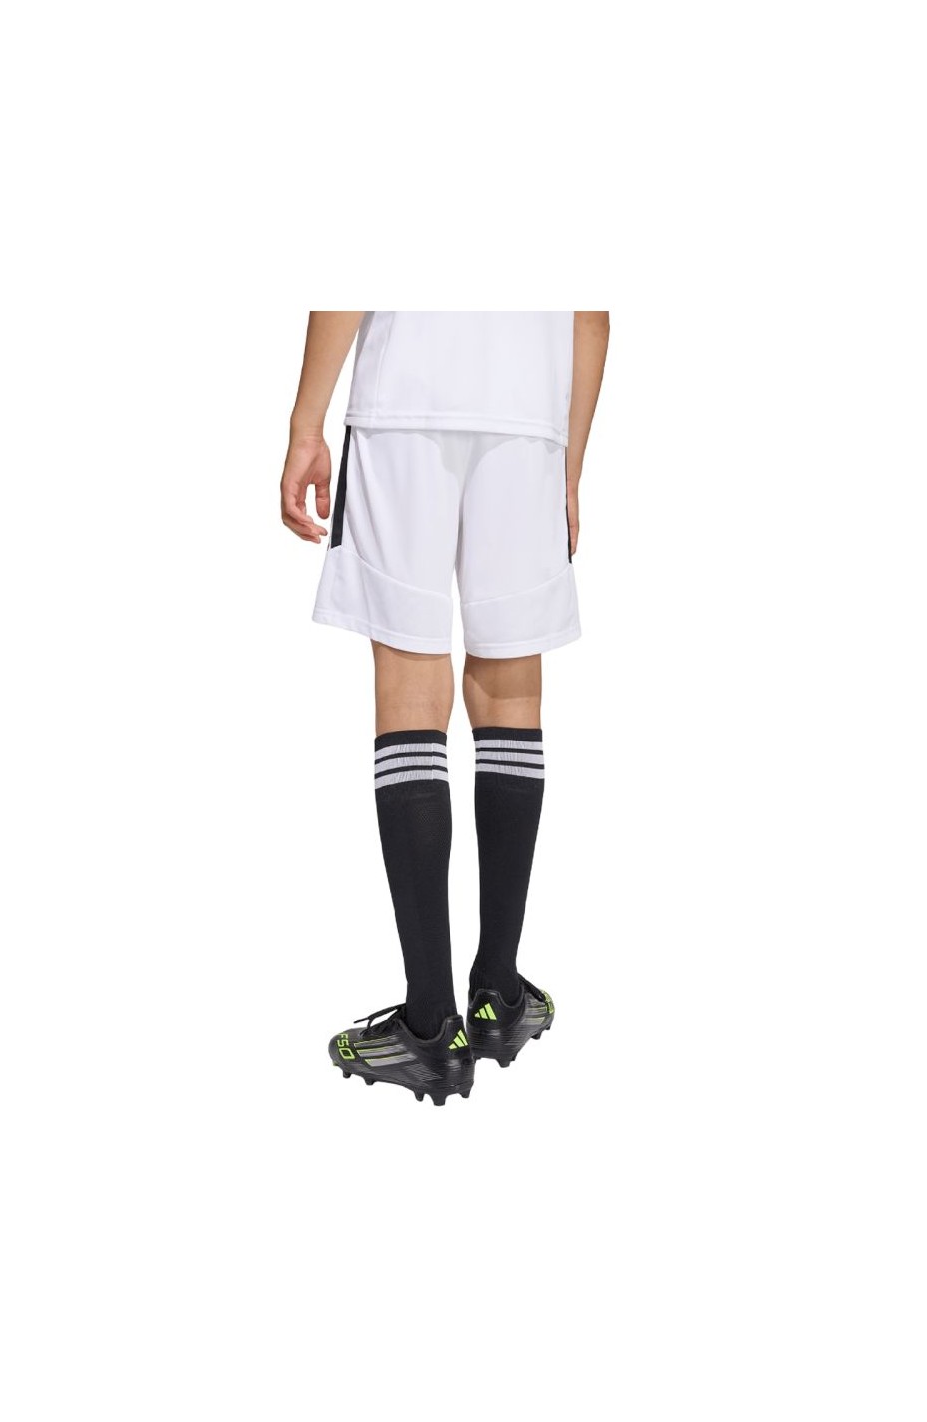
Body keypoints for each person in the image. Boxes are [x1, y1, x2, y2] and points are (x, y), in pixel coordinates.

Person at [280, 311, 609, 1105]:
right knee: (512, 681)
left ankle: (431, 1026)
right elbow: (593, 315)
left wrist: (305, 424)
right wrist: (567, 462)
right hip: (529, 409)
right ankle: (497, 993)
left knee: (409, 679)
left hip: (406, 395)